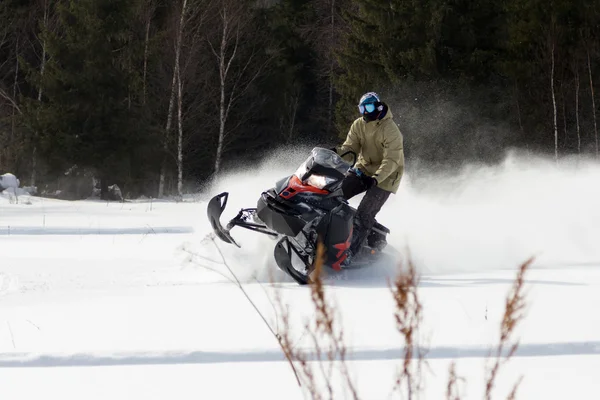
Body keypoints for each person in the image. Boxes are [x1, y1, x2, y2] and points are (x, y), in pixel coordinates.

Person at [331, 92, 404, 266]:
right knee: (334, 194)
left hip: (387, 176)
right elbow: (350, 149)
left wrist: (377, 178)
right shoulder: (359, 125)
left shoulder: (390, 129)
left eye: (369, 107)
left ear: (378, 106)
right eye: (362, 108)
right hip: (364, 169)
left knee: (364, 213)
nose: (365, 112)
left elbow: (392, 160)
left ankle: (350, 252)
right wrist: (336, 154)